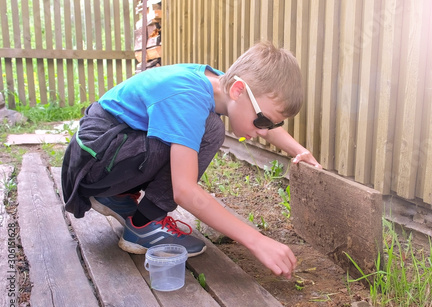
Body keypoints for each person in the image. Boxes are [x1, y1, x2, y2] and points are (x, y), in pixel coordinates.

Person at [61, 41, 321, 279]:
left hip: (101, 152)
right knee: (210, 129)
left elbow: (263, 114)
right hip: (93, 162)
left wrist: (299, 151)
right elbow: (184, 191)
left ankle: (116, 197)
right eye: (262, 121)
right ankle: (143, 224)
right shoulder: (188, 97)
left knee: (205, 127)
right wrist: (257, 240)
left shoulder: (221, 85)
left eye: (272, 124)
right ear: (239, 90)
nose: (264, 131)